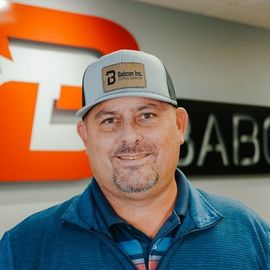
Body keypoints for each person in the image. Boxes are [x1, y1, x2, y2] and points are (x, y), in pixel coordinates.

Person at [0, 49, 269, 270]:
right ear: (85, 136)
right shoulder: (23, 248)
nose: (130, 136)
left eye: (147, 115)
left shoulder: (251, 234)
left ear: (179, 125)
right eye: (109, 120)